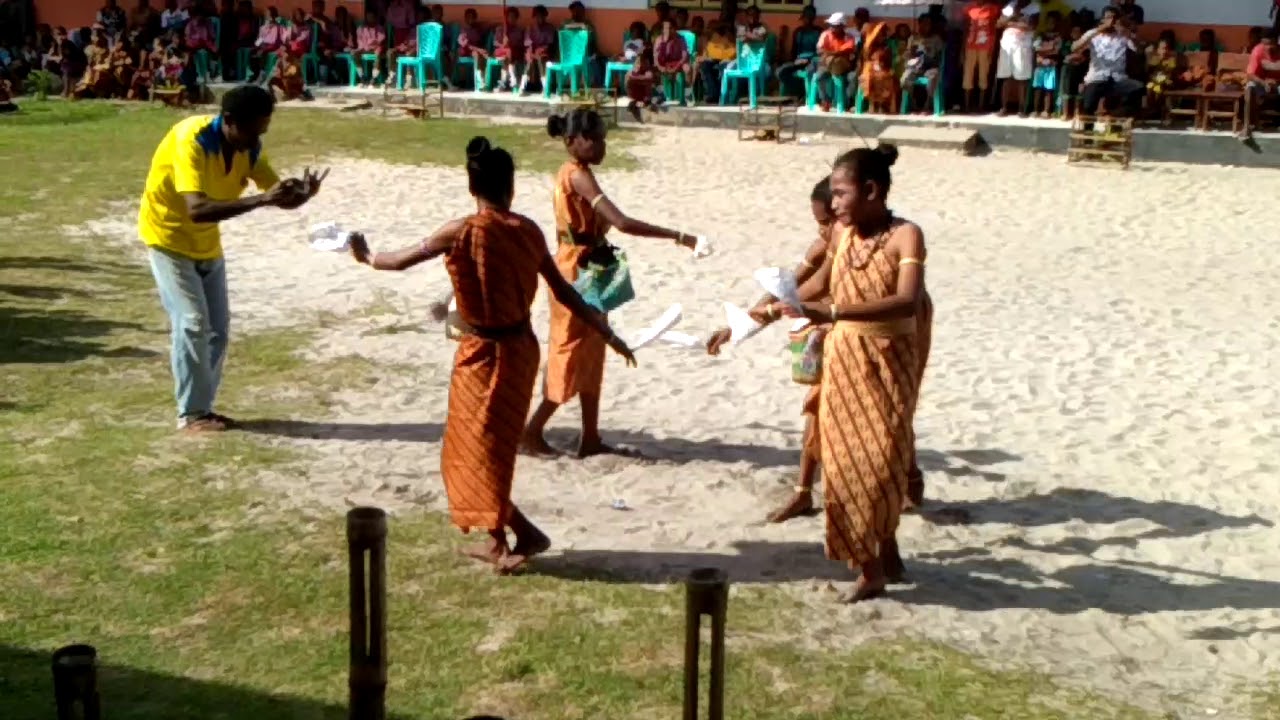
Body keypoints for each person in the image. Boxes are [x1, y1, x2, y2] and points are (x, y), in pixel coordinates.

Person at [347, 137, 637, 574]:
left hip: (484, 349)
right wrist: (604, 330)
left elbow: (399, 261)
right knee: (487, 447)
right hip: (516, 349)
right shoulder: (527, 232)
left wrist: (366, 256)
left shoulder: (461, 230)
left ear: (472, 187)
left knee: (480, 450)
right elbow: (565, 292)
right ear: (511, 187)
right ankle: (501, 537)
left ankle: (517, 537)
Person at [780, 143, 925, 602]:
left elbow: (907, 299)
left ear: (871, 190)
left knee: (883, 462)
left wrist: (838, 311)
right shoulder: (842, 237)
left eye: (841, 194)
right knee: (844, 466)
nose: (835, 203)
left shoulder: (907, 236)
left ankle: (884, 550)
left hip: (888, 363)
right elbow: (816, 285)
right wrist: (764, 310)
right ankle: (871, 568)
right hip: (844, 362)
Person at [138, 85, 326, 433]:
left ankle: (202, 408)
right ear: (228, 121)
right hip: (168, 237)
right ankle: (191, 414)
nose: (256, 139)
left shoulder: (249, 146)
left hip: (207, 245)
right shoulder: (190, 141)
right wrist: (261, 201)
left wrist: (301, 195)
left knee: (218, 331)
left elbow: (276, 193)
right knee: (193, 322)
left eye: (262, 131)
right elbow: (197, 209)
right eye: (251, 130)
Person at [522, 109, 701, 458]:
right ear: (573, 141)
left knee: (592, 349)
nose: (602, 145)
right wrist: (679, 236)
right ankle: (531, 432)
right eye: (597, 139)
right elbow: (622, 222)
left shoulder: (575, 172)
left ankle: (589, 436)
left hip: (588, 265)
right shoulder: (578, 177)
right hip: (575, 271)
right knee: (570, 351)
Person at [706, 177, 836, 523]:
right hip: (830, 338)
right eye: (819, 223)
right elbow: (788, 289)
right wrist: (739, 327)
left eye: (827, 223)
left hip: (867, 337)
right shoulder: (822, 248)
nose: (822, 231)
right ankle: (804, 493)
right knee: (815, 412)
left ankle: (909, 482)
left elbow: (799, 296)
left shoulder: (868, 245)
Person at [1073, 6, 1142, 117]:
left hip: (1117, 79)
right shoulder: (1093, 34)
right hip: (1097, 78)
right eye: (1108, 18)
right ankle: (1088, 127)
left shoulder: (1123, 35)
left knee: (1138, 88)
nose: (1111, 22)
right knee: (1088, 107)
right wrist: (1099, 30)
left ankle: (1114, 115)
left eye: (1114, 19)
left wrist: (1128, 33)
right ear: (1102, 19)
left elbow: (1138, 50)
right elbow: (1074, 48)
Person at [996, 0, 1036, 116]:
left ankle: (1021, 109)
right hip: (1007, 45)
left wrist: (1009, 22)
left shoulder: (1034, 7)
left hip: (1022, 46)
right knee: (1006, 77)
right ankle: (1003, 107)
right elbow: (999, 23)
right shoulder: (1010, 5)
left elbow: (1030, 26)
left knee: (1021, 79)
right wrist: (1014, 18)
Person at [776, 5, 822, 100]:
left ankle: (808, 97)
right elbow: (794, 51)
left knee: (810, 72)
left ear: (813, 18)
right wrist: (795, 60)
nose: (807, 20)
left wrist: (811, 60)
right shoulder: (798, 32)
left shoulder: (819, 31)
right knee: (780, 71)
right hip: (799, 61)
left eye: (809, 17)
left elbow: (821, 52)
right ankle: (797, 93)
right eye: (805, 18)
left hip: (813, 61)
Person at [901, 14, 945, 113]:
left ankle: (927, 105)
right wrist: (912, 53)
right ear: (919, 24)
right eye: (924, 24)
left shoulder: (936, 39)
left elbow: (939, 58)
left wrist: (928, 54)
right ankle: (914, 104)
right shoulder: (913, 38)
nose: (926, 26)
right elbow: (908, 55)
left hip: (930, 67)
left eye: (928, 24)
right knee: (905, 79)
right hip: (915, 67)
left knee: (933, 78)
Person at [813, 12, 857, 112]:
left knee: (852, 78)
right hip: (827, 65)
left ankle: (845, 103)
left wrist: (829, 53)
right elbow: (819, 50)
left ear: (842, 26)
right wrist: (835, 54)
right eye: (831, 25)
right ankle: (825, 100)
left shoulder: (849, 37)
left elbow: (846, 51)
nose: (832, 28)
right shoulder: (825, 34)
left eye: (835, 26)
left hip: (843, 66)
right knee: (819, 77)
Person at [962, 0, 1001, 112]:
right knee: (968, 74)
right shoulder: (969, 8)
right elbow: (966, 29)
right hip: (970, 45)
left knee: (983, 74)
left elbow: (994, 29)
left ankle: (981, 105)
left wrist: (992, 47)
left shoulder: (992, 9)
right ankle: (967, 105)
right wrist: (962, 49)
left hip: (985, 45)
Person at [1244, 29, 1280, 138]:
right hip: (1261, 83)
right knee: (1250, 88)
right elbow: (1250, 74)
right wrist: (1264, 83)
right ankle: (1248, 125)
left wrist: (1276, 83)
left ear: (1276, 42)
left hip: (1278, 84)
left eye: (1270, 44)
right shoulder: (1257, 50)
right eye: (1264, 44)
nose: (1267, 47)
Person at [859, 22, 898, 113]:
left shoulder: (887, 47)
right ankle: (873, 104)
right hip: (869, 69)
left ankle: (882, 104)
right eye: (879, 35)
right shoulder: (868, 47)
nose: (882, 37)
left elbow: (889, 63)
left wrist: (883, 68)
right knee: (871, 79)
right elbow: (865, 61)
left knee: (888, 79)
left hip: (884, 70)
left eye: (883, 35)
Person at [1031, 11, 1062, 117]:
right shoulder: (1040, 35)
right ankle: (1035, 110)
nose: (1051, 24)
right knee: (1038, 89)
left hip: (1051, 66)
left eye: (1053, 22)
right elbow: (1037, 48)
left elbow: (1056, 51)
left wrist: (1044, 50)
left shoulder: (1058, 36)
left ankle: (1046, 110)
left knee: (1048, 89)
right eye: (1048, 22)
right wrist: (1050, 48)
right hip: (1040, 66)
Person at [697, 22, 735, 105]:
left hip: (728, 59)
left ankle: (722, 95)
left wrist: (727, 59)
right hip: (713, 59)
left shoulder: (729, 35)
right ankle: (712, 94)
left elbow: (733, 51)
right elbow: (708, 50)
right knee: (705, 65)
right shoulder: (712, 36)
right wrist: (706, 57)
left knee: (724, 67)